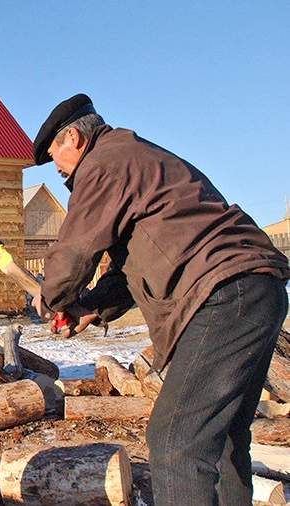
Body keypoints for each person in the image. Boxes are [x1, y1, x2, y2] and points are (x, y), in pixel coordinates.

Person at [30, 94, 289, 506]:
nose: (58, 170)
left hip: (221, 295)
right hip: (255, 288)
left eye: (54, 157)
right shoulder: (135, 158)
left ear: (74, 139)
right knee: (219, 438)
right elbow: (128, 265)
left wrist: (52, 298)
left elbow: (75, 251)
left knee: (175, 442)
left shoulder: (103, 164)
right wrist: (90, 308)